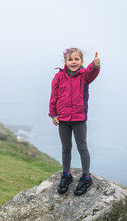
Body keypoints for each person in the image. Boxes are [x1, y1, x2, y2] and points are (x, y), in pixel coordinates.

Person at [49, 47, 100, 196]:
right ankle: (66, 175)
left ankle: (86, 177)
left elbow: (91, 73)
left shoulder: (84, 75)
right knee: (66, 148)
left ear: (82, 61)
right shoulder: (58, 77)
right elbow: (54, 96)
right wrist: (53, 115)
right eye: (70, 59)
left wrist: (95, 65)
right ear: (65, 61)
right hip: (63, 118)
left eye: (76, 59)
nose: (73, 62)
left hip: (79, 119)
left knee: (82, 147)